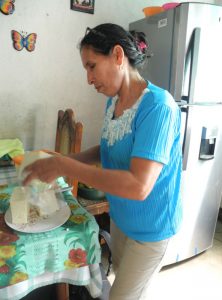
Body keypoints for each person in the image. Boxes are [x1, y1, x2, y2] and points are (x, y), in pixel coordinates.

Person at [23, 23, 183, 300]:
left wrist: (65, 166)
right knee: (127, 287)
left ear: (118, 56)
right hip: (121, 218)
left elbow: (138, 185)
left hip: (151, 229)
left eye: (92, 66)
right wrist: (65, 159)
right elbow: (108, 148)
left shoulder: (159, 107)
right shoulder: (114, 101)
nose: (88, 78)